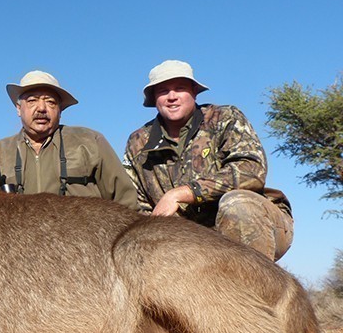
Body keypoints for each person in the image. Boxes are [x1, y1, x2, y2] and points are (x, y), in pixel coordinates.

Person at [123, 59, 293, 261]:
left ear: (194, 92)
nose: (172, 97)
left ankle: (254, 289)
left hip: (256, 223)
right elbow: (136, 202)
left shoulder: (225, 117)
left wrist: (182, 194)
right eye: (163, 91)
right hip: (189, 239)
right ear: (154, 98)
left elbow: (251, 171)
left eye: (180, 88)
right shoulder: (138, 141)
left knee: (238, 206)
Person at [0, 70, 137, 208]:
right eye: (32, 101)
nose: (41, 108)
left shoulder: (90, 141)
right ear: (18, 109)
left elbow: (125, 201)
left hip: (84, 244)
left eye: (50, 102)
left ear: (60, 110)